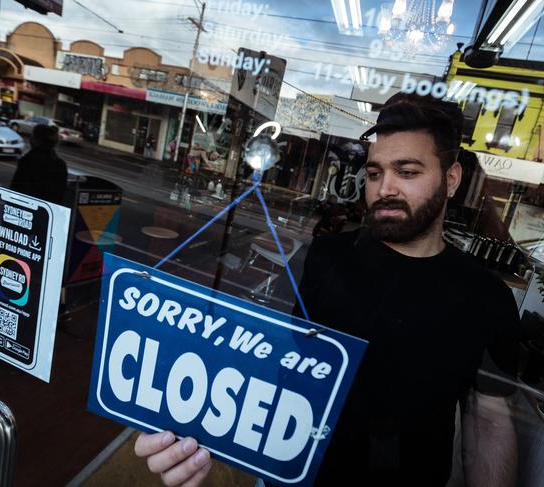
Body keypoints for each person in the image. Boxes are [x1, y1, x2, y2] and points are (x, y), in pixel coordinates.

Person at [133, 93, 520, 487]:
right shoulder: (321, 258)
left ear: (450, 179)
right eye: (374, 173)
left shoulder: (485, 296)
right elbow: (261, 365)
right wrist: (192, 440)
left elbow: (487, 419)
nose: (385, 188)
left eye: (407, 172)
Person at [10, 124, 68, 205]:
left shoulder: (28, 161)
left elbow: (15, 190)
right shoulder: (60, 164)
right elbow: (60, 195)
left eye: (33, 135)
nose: (30, 138)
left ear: (37, 140)